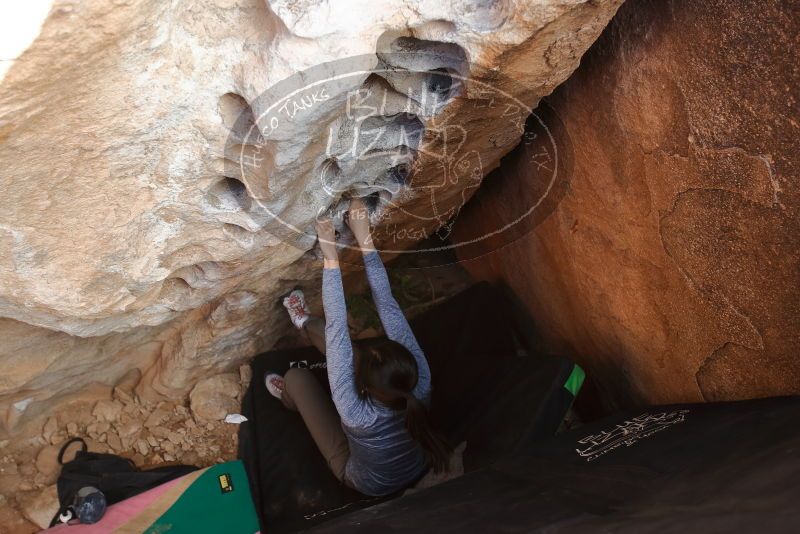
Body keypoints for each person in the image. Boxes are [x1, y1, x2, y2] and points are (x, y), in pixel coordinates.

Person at [264, 198, 451, 497]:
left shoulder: (355, 413)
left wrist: (330, 257)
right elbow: (388, 307)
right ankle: (304, 322)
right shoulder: (421, 379)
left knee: (297, 378)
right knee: (342, 348)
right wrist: (365, 239)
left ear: (361, 386)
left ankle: (288, 396)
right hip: (418, 463)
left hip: (366, 481)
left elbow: (338, 328)